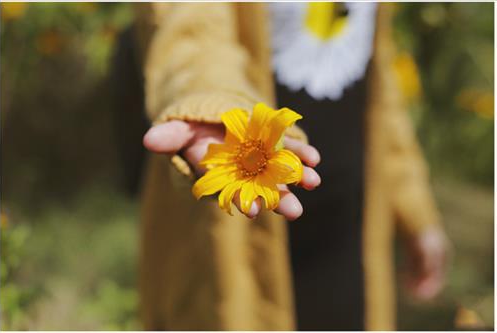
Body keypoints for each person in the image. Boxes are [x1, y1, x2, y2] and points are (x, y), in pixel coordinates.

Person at [133, 3, 449, 330]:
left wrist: (415, 207)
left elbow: (379, 84)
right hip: (234, 233)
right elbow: (192, 36)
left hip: (348, 229)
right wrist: (219, 105)